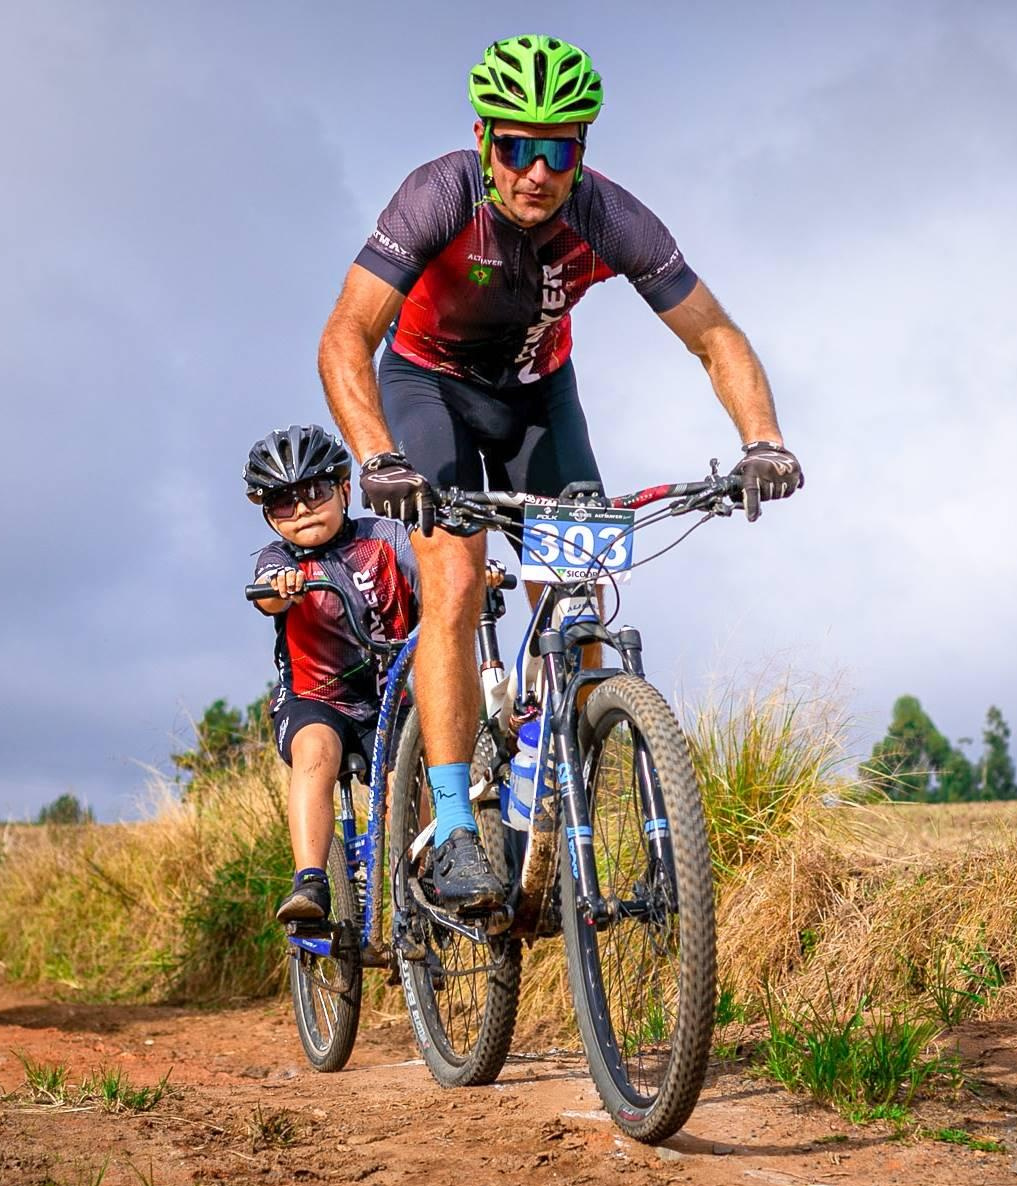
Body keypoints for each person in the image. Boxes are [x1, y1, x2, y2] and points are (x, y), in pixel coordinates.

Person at [317, 33, 802, 912]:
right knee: (454, 577)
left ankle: (540, 788)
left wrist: (762, 440)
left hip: (538, 397)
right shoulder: (438, 196)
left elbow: (713, 335)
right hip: (428, 388)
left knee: (579, 594)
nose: (536, 171)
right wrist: (377, 456)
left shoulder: (609, 217)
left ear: (582, 150)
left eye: (558, 150)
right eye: (516, 148)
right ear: (483, 140)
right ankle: (456, 826)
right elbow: (346, 333)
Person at [245, 424, 418, 926]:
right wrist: (281, 587)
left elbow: (432, 578)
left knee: (415, 765)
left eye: (315, 492)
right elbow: (268, 596)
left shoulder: (385, 536)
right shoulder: (280, 559)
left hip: (389, 696)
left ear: (344, 489)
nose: (301, 509)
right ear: (269, 516)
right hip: (314, 700)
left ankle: (421, 876)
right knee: (317, 751)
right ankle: (311, 881)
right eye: (283, 502)